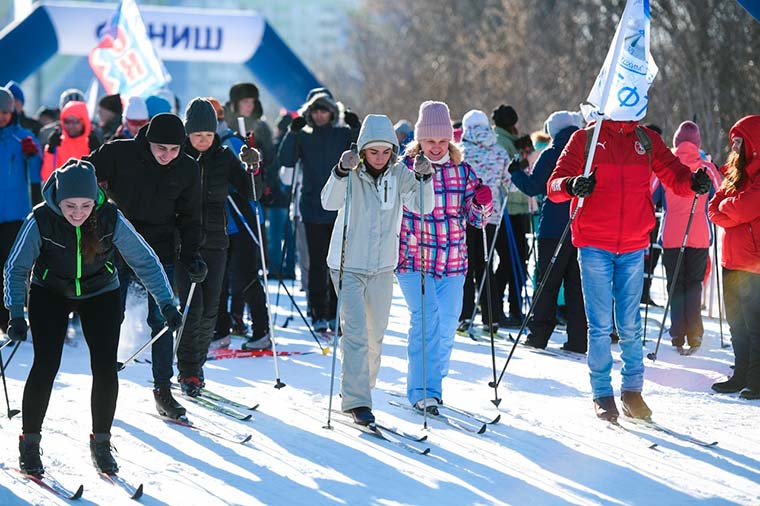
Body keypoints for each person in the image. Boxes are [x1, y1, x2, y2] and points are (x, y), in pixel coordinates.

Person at [3, 159, 181, 476]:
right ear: (58, 199)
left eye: (86, 205)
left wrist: (166, 302)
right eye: (70, 206)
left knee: (104, 365)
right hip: (50, 291)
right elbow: (16, 267)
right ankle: (29, 442)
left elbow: (145, 260)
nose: (78, 213)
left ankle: (101, 441)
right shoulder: (41, 218)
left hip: (101, 291)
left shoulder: (109, 217)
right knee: (46, 364)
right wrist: (16, 313)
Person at [547, 118, 711, 422]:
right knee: (599, 325)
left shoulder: (646, 139)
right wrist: (572, 185)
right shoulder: (586, 138)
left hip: (634, 244)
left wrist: (692, 182)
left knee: (630, 324)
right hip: (594, 242)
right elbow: (554, 185)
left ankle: (632, 392)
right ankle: (602, 393)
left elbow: (674, 174)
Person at [85, 113, 206, 419]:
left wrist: (192, 255)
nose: (167, 156)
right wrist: (97, 206)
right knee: (111, 315)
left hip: (159, 248)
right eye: (161, 149)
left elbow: (191, 216)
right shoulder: (118, 152)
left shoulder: (188, 169)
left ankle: (162, 389)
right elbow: (80, 174)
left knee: (163, 318)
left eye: (174, 150)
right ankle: (104, 383)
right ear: (149, 142)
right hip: (115, 244)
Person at [320, 114, 434, 425]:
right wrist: (341, 170)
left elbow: (423, 206)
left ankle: (358, 388)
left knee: (375, 335)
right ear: (363, 150)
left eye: (386, 152)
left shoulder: (399, 174)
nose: (380, 158)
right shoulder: (351, 173)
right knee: (355, 332)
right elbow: (327, 202)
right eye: (374, 152)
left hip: (383, 266)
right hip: (347, 265)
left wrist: (426, 178)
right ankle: (359, 401)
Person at [396, 101, 492, 413]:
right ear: (419, 140)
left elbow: (476, 221)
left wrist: (481, 203)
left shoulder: (462, 171)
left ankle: (433, 378)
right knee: (425, 321)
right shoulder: (405, 171)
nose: (436, 148)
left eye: (441, 142)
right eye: (429, 141)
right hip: (415, 260)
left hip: (453, 262)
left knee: (447, 326)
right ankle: (423, 390)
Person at [175, 98, 259, 396]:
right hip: (183, 245)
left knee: (211, 310)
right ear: (187, 134)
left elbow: (252, 192)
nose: (203, 141)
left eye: (208, 136)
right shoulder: (177, 157)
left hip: (216, 242)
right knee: (191, 309)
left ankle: (196, 369)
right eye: (197, 136)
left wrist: (252, 167)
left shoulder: (224, 157)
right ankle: (186, 370)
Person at [278, 88, 353, 333]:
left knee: (338, 264)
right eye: (316, 111)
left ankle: (335, 312)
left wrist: (357, 127)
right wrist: (292, 131)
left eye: (325, 111)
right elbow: (286, 160)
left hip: (340, 207)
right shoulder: (304, 136)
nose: (320, 115)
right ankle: (318, 311)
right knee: (317, 263)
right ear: (310, 113)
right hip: (312, 207)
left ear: (332, 113)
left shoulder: (342, 134)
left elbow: (362, 154)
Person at [513, 110, 588, 353]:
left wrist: (515, 172)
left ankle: (538, 335)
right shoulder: (588, 153)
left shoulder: (552, 154)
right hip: (582, 227)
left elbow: (533, 186)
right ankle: (578, 338)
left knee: (547, 282)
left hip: (553, 227)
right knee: (576, 284)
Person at [654, 121, 721, 354]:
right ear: (698, 142)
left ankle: (677, 334)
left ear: (675, 141)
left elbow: (649, 194)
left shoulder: (664, 167)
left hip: (672, 234)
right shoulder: (707, 167)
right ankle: (695, 334)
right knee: (694, 284)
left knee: (675, 285)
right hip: (699, 234)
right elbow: (721, 193)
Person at [708, 115, 760, 400]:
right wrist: (729, 209)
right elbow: (713, 208)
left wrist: (729, 209)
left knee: (755, 326)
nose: (735, 146)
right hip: (730, 260)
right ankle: (740, 374)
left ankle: (756, 379)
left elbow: (742, 209)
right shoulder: (733, 173)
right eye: (734, 141)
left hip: (754, 263)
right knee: (737, 323)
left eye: (740, 141)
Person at [458, 109, 512, 332]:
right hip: (491, 216)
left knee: (466, 265)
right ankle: (492, 318)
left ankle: (465, 315)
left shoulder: (461, 152)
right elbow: (511, 184)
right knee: (486, 264)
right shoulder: (500, 152)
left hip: (464, 216)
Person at [0, 87, 42, 334]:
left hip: (16, 214)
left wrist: (32, 155)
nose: (3, 117)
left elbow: (37, 173)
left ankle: (10, 317)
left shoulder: (23, 137)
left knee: (12, 267)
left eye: (6, 112)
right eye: (0, 112)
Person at [492, 104, 533, 326]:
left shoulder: (499, 139)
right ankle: (507, 309)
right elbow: (511, 175)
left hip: (509, 208)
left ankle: (501, 308)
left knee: (509, 260)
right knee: (514, 261)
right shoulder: (505, 143)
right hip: (512, 208)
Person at [42, 101, 100, 182]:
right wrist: (50, 151)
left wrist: (97, 154)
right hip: (63, 192)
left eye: (75, 121)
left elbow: (100, 177)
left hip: (87, 192)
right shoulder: (57, 143)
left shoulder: (91, 143)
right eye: (66, 121)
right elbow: (47, 177)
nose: (70, 125)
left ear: (84, 121)